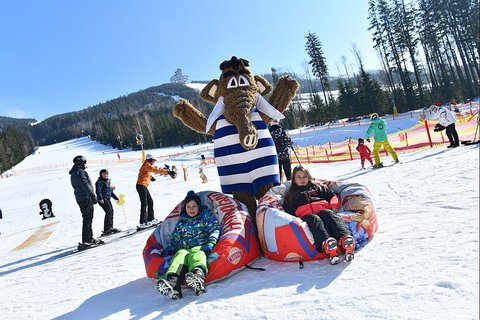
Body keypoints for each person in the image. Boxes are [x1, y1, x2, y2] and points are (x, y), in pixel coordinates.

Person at [282, 166, 355, 264]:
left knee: (329, 214)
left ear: (309, 177)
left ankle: (346, 239)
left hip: (322, 209)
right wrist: (295, 219)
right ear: (294, 179)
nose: (302, 179)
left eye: (305, 176)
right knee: (314, 219)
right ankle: (327, 244)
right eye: (298, 177)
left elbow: (333, 195)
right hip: (307, 215)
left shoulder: (317, 188)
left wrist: (334, 206)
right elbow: (288, 209)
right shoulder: (292, 194)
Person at [157, 190, 221, 299]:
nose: (191, 209)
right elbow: (176, 236)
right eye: (188, 207)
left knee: (197, 254)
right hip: (184, 248)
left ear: (199, 206)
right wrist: (171, 247)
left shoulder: (205, 216)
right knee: (179, 255)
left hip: (201, 245)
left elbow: (214, 229)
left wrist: (210, 243)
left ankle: (197, 277)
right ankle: (173, 284)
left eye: (194, 206)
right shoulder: (182, 221)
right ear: (184, 208)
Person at [136, 154, 174, 227]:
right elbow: (156, 170)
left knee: (150, 201)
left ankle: (151, 219)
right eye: (153, 160)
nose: (154, 162)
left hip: (143, 186)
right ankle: (143, 222)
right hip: (141, 186)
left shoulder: (146, 165)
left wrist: (150, 177)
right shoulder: (147, 165)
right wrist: (168, 172)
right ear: (150, 159)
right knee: (144, 203)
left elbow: (145, 172)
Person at [69, 155, 99, 246]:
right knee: (88, 218)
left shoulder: (74, 172)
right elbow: (84, 184)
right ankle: (87, 240)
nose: (85, 164)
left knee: (87, 218)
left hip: (80, 198)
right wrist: (92, 195)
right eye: (84, 162)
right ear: (81, 162)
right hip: (85, 197)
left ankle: (88, 238)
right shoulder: (80, 172)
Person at [95, 169, 120, 236]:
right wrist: (100, 198)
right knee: (109, 211)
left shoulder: (108, 182)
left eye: (106, 174)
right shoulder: (99, 182)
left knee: (111, 212)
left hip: (108, 199)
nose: (105, 175)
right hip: (103, 199)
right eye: (104, 174)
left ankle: (110, 227)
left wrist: (116, 198)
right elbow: (98, 191)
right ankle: (107, 229)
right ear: (101, 175)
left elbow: (110, 192)